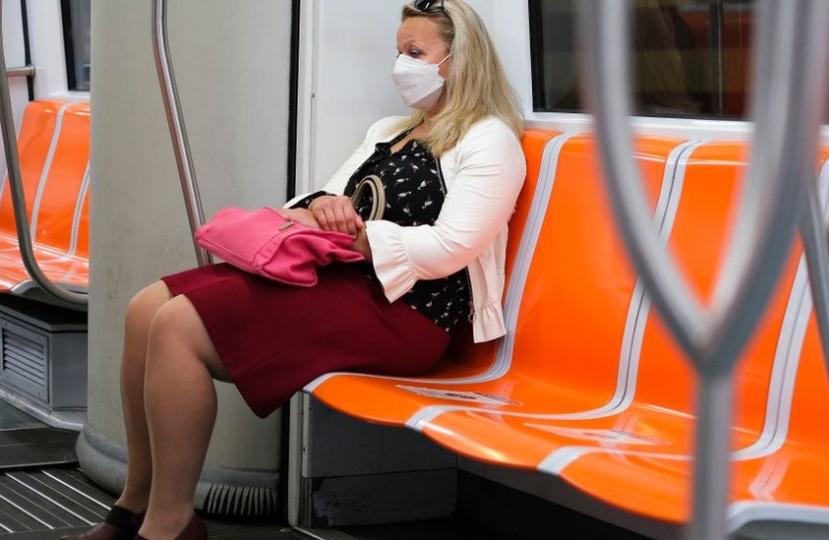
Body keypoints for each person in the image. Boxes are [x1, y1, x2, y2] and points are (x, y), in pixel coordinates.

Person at [66, 1, 525, 538]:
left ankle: (169, 523)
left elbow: (452, 247)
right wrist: (319, 208)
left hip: (408, 313)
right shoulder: (391, 129)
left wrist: (362, 235)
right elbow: (324, 194)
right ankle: (135, 502)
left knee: (177, 328)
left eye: (415, 53)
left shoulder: (489, 139)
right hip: (346, 283)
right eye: (399, 52)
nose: (402, 65)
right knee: (147, 307)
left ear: (459, 60)